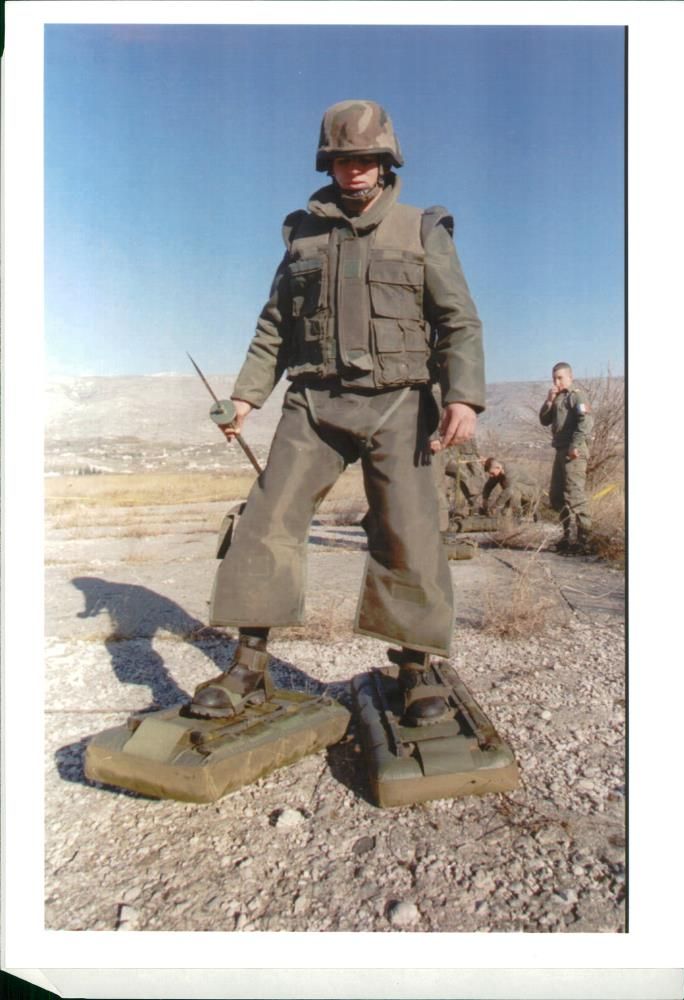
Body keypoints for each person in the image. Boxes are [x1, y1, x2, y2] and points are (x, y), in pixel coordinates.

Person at [188, 99, 485, 727]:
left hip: (400, 403)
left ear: (386, 162)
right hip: (314, 404)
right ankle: (247, 663)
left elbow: (457, 321)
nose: (354, 170)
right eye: (343, 159)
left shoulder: (422, 229)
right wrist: (245, 397)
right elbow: (274, 326)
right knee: (265, 518)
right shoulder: (303, 233)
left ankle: (415, 669)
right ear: (329, 162)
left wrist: (462, 396)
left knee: (408, 529)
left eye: (367, 159)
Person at [538, 362, 593, 552]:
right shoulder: (558, 398)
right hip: (561, 450)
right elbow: (544, 420)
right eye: (554, 378)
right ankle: (567, 536)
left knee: (575, 495)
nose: (557, 381)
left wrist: (575, 445)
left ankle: (585, 539)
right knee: (557, 496)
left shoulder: (577, 395)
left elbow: (585, 422)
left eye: (560, 378)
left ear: (570, 377)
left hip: (573, 452)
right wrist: (549, 400)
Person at [442, 437, 486, 517]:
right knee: (463, 477)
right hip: (446, 456)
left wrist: (477, 455)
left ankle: (473, 505)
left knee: (472, 478)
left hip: (463, 456)